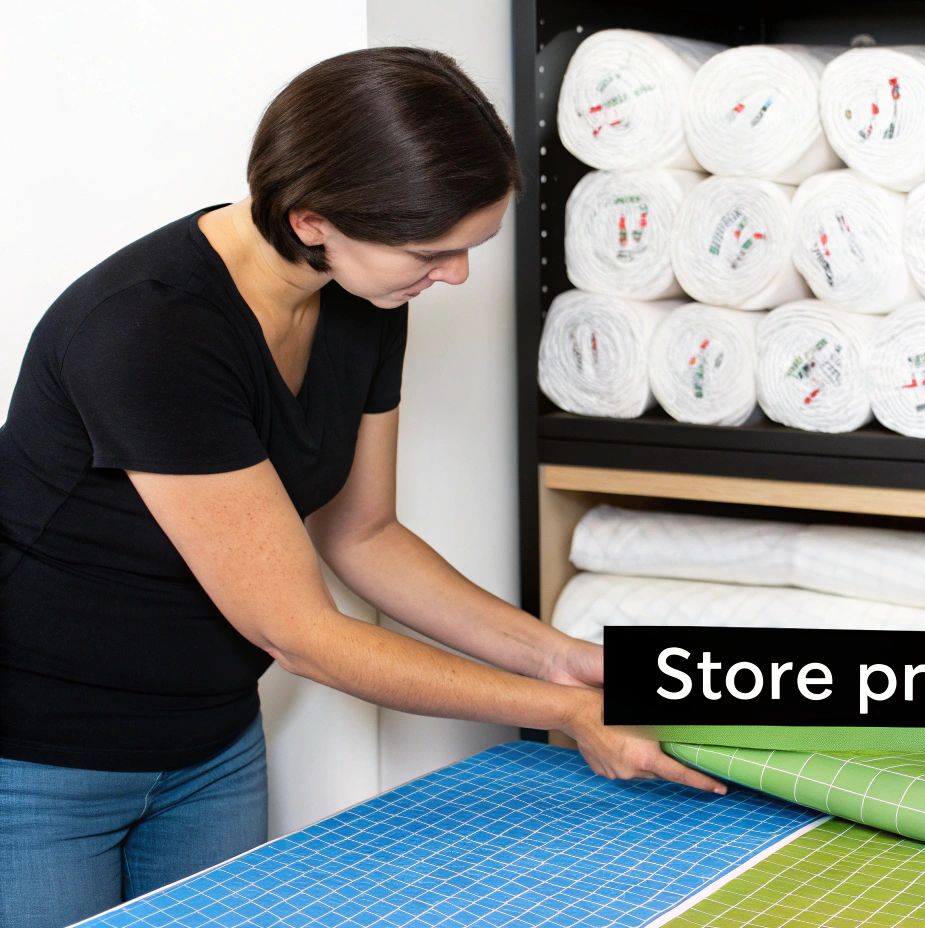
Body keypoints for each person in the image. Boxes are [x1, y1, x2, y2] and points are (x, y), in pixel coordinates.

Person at [0, 47, 720, 928]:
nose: (454, 275)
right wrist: (566, 712)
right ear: (312, 221)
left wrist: (562, 657)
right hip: (36, 758)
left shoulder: (364, 298)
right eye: (431, 250)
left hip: (211, 737)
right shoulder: (150, 333)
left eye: (469, 246)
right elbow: (300, 631)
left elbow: (362, 535)